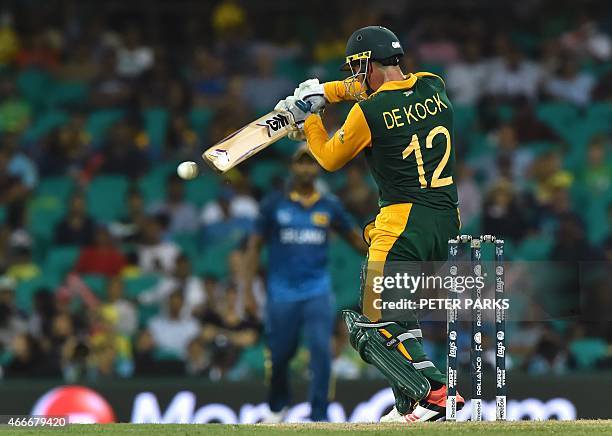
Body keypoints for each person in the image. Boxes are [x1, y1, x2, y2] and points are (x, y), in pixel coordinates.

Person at [275, 26, 464, 422]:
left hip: (402, 225)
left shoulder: (368, 113)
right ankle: (417, 403)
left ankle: (433, 393)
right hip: (446, 223)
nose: (353, 77)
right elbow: (372, 92)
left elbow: (326, 158)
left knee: (369, 324)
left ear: (368, 63)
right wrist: (325, 92)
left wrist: (311, 116)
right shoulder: (434, 85)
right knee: (402, 316)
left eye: (357, 68)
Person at [244, 146, 366, 422]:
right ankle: (277, 406)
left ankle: (319, 414)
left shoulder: (329, 205)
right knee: (280, 355)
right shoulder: (274, 204)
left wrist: (380, 248)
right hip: (281, 292)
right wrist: (248, 292)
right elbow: (253, 249)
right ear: (292, 167)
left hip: (317, 291)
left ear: (318, 168)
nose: (306, 169)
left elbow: (356, 241)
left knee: (322, 349)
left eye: (311, 163)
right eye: (301, 163)